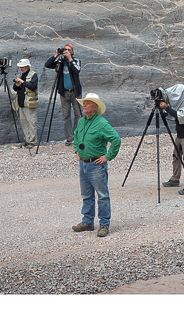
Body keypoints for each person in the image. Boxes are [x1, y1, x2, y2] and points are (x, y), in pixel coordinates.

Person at [72, 93, 121, 237]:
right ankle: (87, 222)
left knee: (102, 195)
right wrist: (76, 150)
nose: (84, 105)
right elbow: (76, 136)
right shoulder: (81, 121)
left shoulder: (102, 123)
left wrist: (108, 157)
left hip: (96, 165)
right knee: (86, 195)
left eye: (88, 103)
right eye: (84, 103)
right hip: (83, 164)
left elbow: (116, 139)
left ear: (95, 106)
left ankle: (104, 225)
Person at [159, 84, 184, 195]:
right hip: (180, 134)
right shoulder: (180, 101)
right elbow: (173, 114)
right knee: (176, 157)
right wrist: (164, 109)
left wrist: (166, 107)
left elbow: (180, 115)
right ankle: (175, 179)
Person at [45, 44, 82, 146]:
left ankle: (77, 137)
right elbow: (47, 65)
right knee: (66, 116)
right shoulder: (61, 62)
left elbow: (76, 71)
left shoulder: (76, 61)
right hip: (64, 92)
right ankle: (69, 138)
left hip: (75, 92)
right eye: (65, 50)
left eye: (69, 50)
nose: (66, 51)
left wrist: (70, 59)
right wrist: (56, 55)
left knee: (78, 115)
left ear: (72, 52)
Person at [12, 58, 39, 147]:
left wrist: (23, 82)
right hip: (21, 102)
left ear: (27, 66)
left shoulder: (33, 75)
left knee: (31, 122)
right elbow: (15, 89)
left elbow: (33, 87)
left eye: (22, 66)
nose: (21, 68)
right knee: (24, 122)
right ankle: (27, 140)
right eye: (20, 66)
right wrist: (17, 85)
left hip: (29, 103)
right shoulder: (19, 75)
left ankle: (33, 142)